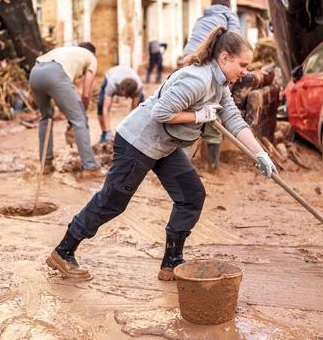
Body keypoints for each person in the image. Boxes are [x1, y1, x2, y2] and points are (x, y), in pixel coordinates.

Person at [46, 27, 277, 281]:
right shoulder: (198, 79)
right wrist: (198, 116)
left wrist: (260, 154)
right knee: (112, 202)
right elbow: (161, 113)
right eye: (242, 64)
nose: (245, 71)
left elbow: (233, 119)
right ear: (224, 58)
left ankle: (171, 262)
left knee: (191, 195)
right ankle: (64, 250)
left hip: (165, 146)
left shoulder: (219, 83)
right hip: (138, 141)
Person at [181, 0, 241, 173]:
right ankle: (213, 165)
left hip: (187, 62)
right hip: (208, 66)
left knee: (188, 113)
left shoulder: (202, 18)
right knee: (214, 112)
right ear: (228, 7)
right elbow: (236, 44)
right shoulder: (229, 16)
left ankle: (180, 166)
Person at [29, 43, 104, 178]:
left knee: (46, 118)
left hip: (35, 73)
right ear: (93, 53)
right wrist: (80, 114)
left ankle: (45, 164)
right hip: (56, 73)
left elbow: (63, 94)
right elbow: (86, 94)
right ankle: (90, 167)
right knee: (80, 119)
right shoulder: (91, 58)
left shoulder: (67, 52)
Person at [98, 65, 145, 142]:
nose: (125, 98)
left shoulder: (138, 87)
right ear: (121, 88)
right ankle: (104, 134)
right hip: (111, 74)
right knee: (101, 104)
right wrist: (108, 131)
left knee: (141, 108)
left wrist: (128, 132)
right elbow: (105, 108)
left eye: (127, 96)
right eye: (124, 95)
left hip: (132, 80)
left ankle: (138, 134)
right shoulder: (112, 84)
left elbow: (133, 111)